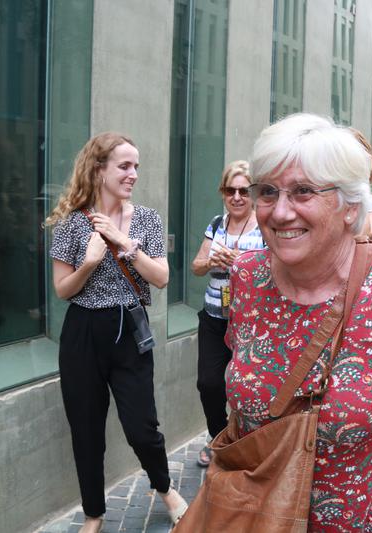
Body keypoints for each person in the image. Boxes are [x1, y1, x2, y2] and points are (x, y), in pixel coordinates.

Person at [226, 113, 372, 531]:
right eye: (267, 191)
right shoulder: (247, 278)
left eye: (303, 192)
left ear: (350, 207)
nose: (279, 212)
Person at [45, 133, 187, 532]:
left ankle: (166, 489)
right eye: (125, 166)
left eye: (136, 166)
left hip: (130, 330)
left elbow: (161, 278)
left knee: (142, 427)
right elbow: (62, 290)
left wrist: (125, 244)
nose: (133, 174)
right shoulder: (73, 223)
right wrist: (88, 264)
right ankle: (94, 514)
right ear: (99, 169)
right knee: (86, 428)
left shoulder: (146, 220)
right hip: (83, 333)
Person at [190, 160, 264, 467]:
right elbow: (196, 266)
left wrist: (239, 260)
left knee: (245, 386)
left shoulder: (264, 225)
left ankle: (243, 441)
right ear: (223, 192)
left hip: (251, 320)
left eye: (244, 191)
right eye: (230, 190)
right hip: (213, 317)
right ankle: (218, 436)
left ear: (253, 195)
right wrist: (211, 262)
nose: (237, 197)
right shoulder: (216, 224)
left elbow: (273, 271)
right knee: (208, 383)